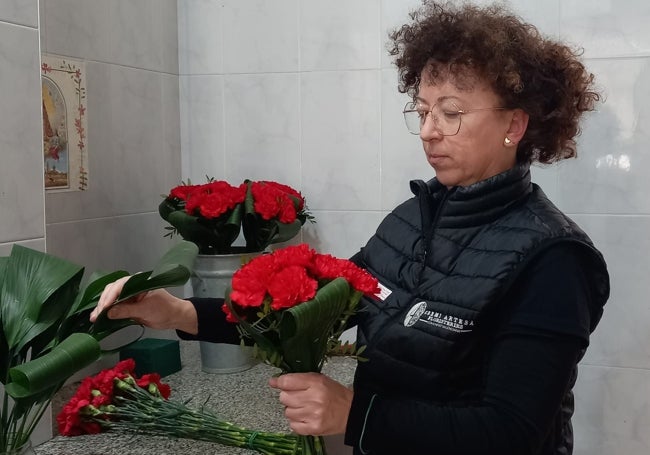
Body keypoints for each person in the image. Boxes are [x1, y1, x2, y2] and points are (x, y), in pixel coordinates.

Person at [91, 2, 610, 454]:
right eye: (423, 110)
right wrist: (181, 312)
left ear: (514, 126)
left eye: (451, 113)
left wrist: (355, 413)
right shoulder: (410, 221)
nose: (429, 131)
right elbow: (314, 306)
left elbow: (510, 432)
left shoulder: (555, 259)